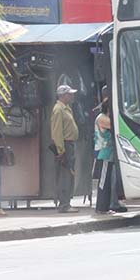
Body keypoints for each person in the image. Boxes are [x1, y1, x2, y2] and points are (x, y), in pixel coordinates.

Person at [94, 97, 126, 214]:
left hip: (110, 153)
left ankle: (106, 207)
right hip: (105, 154)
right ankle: (101, 208)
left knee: (109, 181)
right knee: (104, 182)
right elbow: (116, 126)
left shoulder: (105, 117)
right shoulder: (102, 118)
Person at [51, 84, 80, 213]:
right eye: (70, 94)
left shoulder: (66, 108)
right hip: (65, 146)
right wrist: (61, 151)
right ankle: (64, 205)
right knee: (65, 175)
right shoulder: (58, 110)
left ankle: (66, 202)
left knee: (69, 174)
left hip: (70, 145)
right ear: (63, 95)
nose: (72, 96)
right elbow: (57, 132)